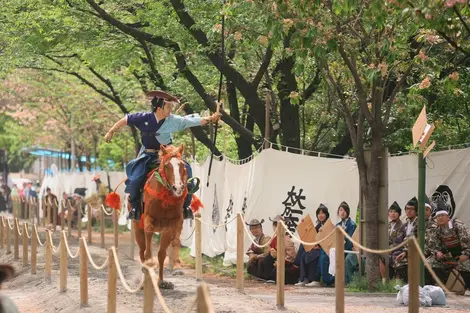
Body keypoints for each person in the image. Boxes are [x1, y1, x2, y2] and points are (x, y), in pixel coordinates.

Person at [104, 90, 221, 222]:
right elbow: (126, 119)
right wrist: (111, 131)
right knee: (136, 178)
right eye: (169, 106)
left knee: (187, 171)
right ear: (159, 107)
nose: (171, 109)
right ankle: (135, 208)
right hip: (147, 154)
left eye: (171, 107)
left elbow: (189, 121)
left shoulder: (172, 120)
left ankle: (186, 207)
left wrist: (210, 119)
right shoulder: (143, 117)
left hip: (168, 154)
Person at [294, 204, 330, 287]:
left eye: (322, 213)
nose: (320, 215)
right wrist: (303, 224)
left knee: (313, 255)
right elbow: (311, 236)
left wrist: (319, 246)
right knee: (304, 253)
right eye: (319, 213)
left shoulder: (329, 225)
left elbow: (329, 240)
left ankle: (315, 279)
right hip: (315, 248)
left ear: (326, 214)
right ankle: (304, 279)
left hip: (325, 249)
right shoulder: (317, 226)